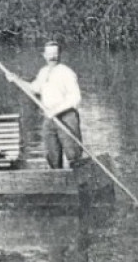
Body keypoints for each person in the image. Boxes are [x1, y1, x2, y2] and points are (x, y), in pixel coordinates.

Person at [8, 39, 85, 169]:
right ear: (44, 55)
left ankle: (79, 185)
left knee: (74, 156)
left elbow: (75, 98)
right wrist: (16, 80)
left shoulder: (66, 72)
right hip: (49, 119)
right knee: (52, 157)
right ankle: (58, 185)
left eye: (55, 53)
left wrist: (55, 111)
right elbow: (34, 88)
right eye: (49, 54)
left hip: (67, 117)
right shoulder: (43, 72)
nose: (52, 57)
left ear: (60, 54)